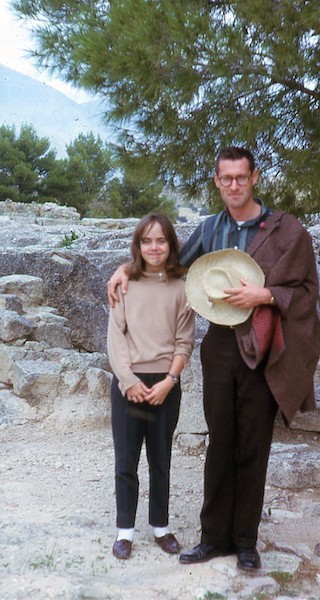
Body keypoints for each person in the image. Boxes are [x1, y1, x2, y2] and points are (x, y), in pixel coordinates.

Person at [107, 147, 320, 571]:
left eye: (241, 177)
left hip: (261, 345)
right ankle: (212, 538)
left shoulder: (286, 230)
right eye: (226, 179)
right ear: (217, 181)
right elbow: (167, 265)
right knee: (220, 441)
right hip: (221, 346)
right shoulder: (210, 230)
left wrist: (267, 295)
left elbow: (307, 290)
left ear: (255, 177)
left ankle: (245, 541)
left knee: (253, 443)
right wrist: (124, 268)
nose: (234, 186)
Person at [107, 214, 195, 560]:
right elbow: (116, 336)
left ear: (171, 245)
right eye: (147, 241)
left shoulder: (183, 287)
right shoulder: (124, 284)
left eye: (161, 240)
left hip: (165, 384)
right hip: (128, 383)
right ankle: (124, 531)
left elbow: (184, 342)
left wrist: (169, 382)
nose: (154, 247)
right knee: (126, 461)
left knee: (161, 460)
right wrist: (127, 381)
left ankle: (161, 526)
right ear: (138, 245)